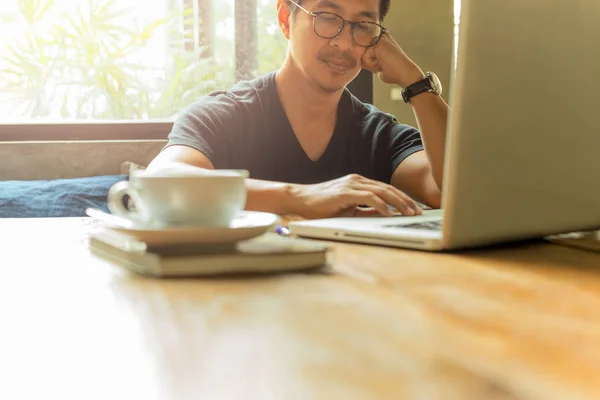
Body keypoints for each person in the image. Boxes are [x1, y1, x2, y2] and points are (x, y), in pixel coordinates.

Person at [148, 0, 449, 219]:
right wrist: (300, 197)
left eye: (363, 26)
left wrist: (414, 80)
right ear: (284, 18)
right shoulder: (223, 116)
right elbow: (159, 183)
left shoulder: (378, 134)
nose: (344, 43)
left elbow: (454, 191)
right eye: (328, 17)